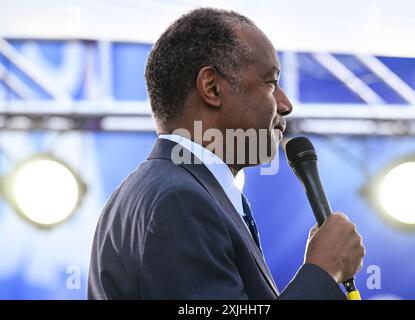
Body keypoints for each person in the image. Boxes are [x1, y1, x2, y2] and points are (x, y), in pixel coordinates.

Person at [88, 8, 365, 300]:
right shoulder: (179, 199)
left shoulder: (151, 191)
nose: (285, 104)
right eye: (270, 83)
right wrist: (322, 272)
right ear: (212, 88)